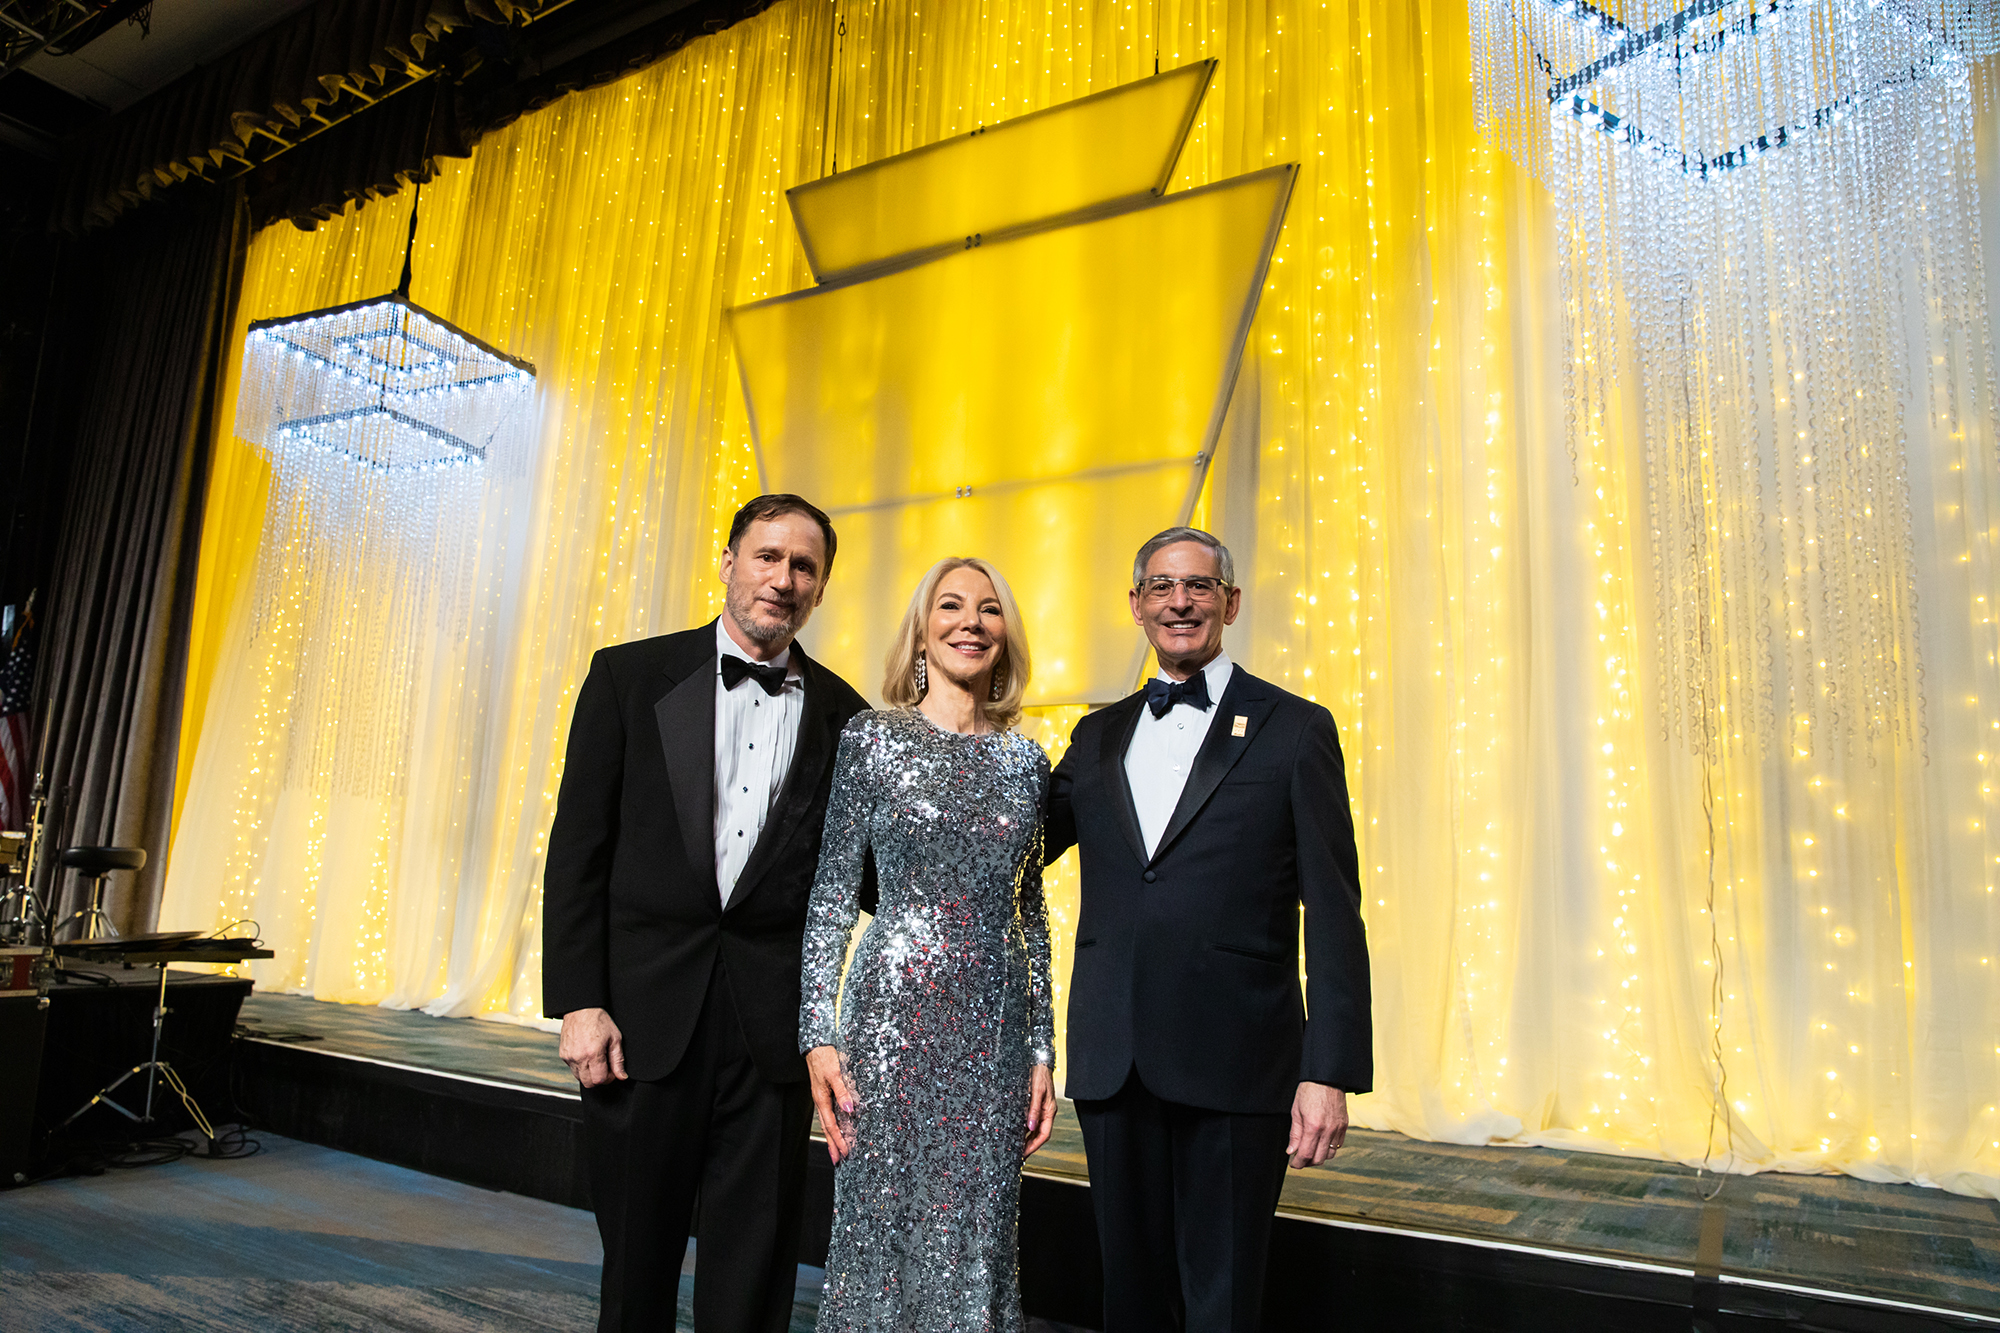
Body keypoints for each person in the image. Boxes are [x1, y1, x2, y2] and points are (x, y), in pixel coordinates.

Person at [542, 494, 873, 1333]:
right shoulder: (627, 674)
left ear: (822, 587)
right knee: (637, 1267)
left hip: (771, 1036)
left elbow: (874, 875)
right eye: (768, 556)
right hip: (638, 1024)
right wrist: (579, 1000)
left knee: (754, 1277)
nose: (783, 578)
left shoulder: (850, 718)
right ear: (728, 562)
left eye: (804, 565)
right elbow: (578, 849)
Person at [1045, 525, 1372, 1333]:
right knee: (1130, 1297)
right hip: (1112, 1059)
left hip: (1240, 1063)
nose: (1179, 601)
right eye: (1161, 586)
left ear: (1229, 601)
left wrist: (1327, 1070)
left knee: (1223, 1304)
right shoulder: (1095, 735)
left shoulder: (1296, 728)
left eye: (1197, 586)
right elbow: (1010, 846)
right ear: (1136, 605)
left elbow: (1334, 910)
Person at [798, 557, 1059, 1333]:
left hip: (995, 1029)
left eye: (988, 609)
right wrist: (818, 1032)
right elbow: (832, 895)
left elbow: (1033, 917)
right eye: (950, 605)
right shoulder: (872, 739)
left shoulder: (1027, 762)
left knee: (978, 1233)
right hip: (889, 1023)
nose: (969, 622)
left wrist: (1044, 1048)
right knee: (878, 1229)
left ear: (1005, 635)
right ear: (922, 628)